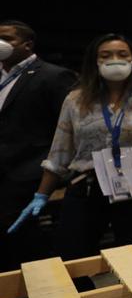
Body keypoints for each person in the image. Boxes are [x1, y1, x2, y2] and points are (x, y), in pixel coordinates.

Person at [13, 34, 132, 287]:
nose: (115, 60)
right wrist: (41, 195)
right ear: (94, 62)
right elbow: (60, 152)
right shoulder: (76, 100)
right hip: (87, 186)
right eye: (106, 56)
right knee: (70, 257)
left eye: (123, 54)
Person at [0, 21, 76, 270]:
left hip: (30, 171)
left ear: (27, 44)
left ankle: (52, 283)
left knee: (20, 236)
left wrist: (46, 173)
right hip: (4, 170)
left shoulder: (54, 75)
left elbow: (67, 130)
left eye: (6, 38)